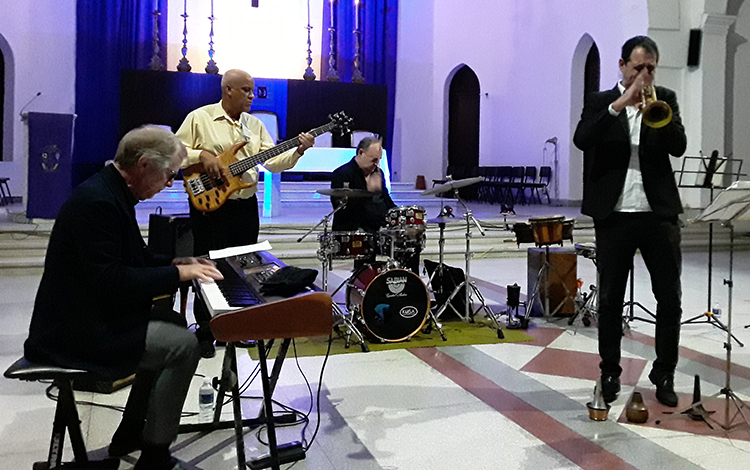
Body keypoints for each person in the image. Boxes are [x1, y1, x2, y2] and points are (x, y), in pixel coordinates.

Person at [23, 126, 224, 469]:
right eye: (168, 174)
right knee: (182, 345)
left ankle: (132, 430)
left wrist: (178, 262)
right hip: (73, 332)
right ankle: (155, 456)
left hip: (88, 315)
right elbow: (112, 281)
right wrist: (178, 274)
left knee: (173, 322)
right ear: (144, 164)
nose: (170, 183)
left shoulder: (112, 191)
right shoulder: (99, 202)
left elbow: (133, 259)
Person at [573, 36, 687, 407]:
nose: (645, 74)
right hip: (615, 215)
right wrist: (620, 104)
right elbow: (583, 139)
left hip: (658, 215)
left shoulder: (665, 97)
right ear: (622, 65)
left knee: (669, 297)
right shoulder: (600, 101)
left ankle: (664, 372)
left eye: (651, 67)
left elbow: (679, 146)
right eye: (638, 67)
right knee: (610, 299)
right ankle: (610, 372)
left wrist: (654, 108)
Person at [176, 69, 314, 357]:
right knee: (207, 266)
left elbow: (274, 161)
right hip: (210, 204)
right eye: (247, 91)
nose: (253, 96)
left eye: (252, 90)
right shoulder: (200, 118)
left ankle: (237, 326)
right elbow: (175, 149)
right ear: (228, 90)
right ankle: (205, 330)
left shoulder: (255, 125)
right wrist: (202, 155)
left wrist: (298, 151)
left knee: (245, 266)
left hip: (244, 205)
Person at [330, 137, 421, 273]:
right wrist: (368, 191)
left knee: (411, 242)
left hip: (380, 225)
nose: (377, 164)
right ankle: (365, 282)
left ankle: (408, 282)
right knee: (368, 241)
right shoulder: (342, 174)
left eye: (379, 160)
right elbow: (343, 210)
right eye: (374, 159)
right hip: (357, 227)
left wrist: (400, 214)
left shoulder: (378, 173)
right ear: (361, 153)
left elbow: (386, 201)